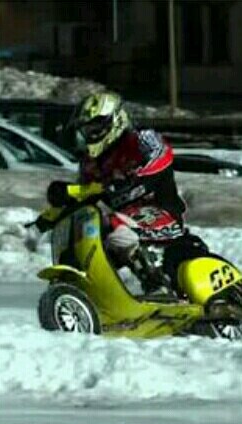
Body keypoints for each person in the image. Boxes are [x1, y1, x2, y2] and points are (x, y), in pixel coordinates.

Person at [69, 92, 187, 297]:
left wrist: (136, 178)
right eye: (87, 129)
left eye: (96, 127)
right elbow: (85, 192)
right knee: (93, 231)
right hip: (126, 218)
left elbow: (163, 155)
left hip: (160, 211)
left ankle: (158, 285)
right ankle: (99, 293)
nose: (91, 134)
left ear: (115, 120)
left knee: (118, 229)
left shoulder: (141, 137)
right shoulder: (91, 162)